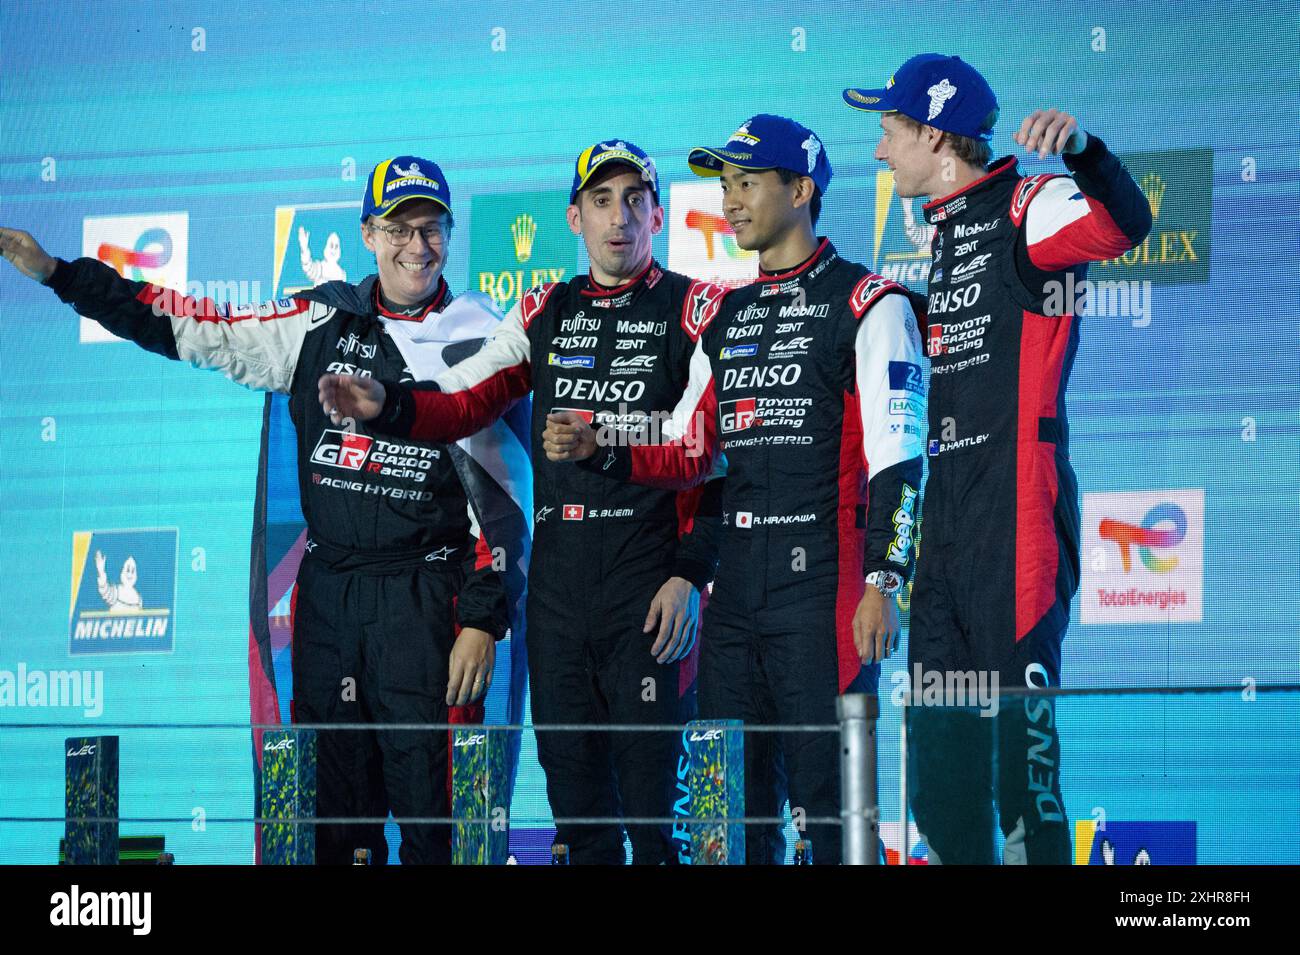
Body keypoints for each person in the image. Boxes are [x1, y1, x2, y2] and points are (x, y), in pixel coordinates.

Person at [0, 156, 511, 865]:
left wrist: (483, 616)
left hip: (427, 603)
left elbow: (506, 497)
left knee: (437, 823)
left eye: (432, 229)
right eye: (399, 227)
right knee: (331, 822)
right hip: (331, 601)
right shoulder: (315, 320)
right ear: (368, 233)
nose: (416, 246)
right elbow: (192, 326)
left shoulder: (481, 332)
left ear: (450, 236)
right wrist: (63, 276)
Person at [318, 140, 723, 864]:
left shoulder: (695, 308)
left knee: (660, 822)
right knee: (580, 820)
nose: (619, 217)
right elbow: (462, 400)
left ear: (659, 213)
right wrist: (387, 404)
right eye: (601, 201)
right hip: (561, 600)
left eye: (635, 199)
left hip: (650, 589)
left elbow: (710, 454)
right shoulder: (543, 310)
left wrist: (690, 571)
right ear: (574, 216)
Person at [541, 115, 928, 864]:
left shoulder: (869, 303)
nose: (732, 201)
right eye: (725, 185)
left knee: (831, 809)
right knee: (726, 811)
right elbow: (690, 448)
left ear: (802, 189)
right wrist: (603, 444)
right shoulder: (726, 313)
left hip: (826, 580)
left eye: (748, 183)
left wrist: (887, 578)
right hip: (736, 588)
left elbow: (901, 458)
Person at [843, 53, 1153, 863]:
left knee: (1025, 779)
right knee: (942, 792)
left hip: (1017, 522)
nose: (879, 151)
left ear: (936, 136)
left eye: (888, 130)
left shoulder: (1028, 204)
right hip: (945, 538)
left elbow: (1124, 225)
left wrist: (1083, 149)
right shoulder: (943, 232)